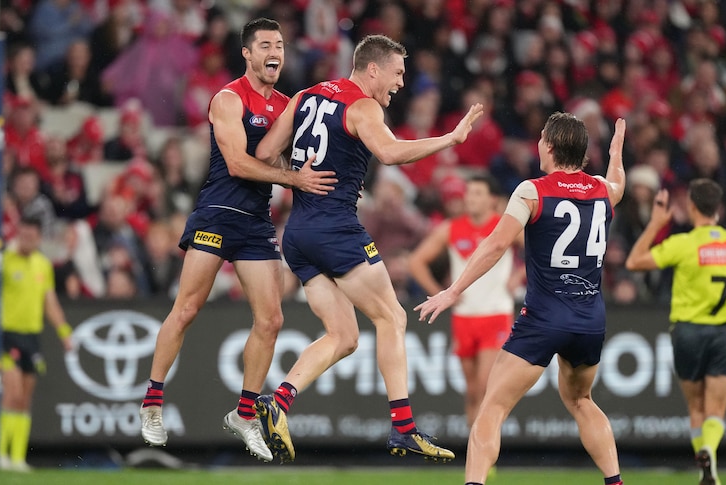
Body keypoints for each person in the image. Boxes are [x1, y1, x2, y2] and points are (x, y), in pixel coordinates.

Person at [254, 34, 484, 463]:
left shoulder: (305, 95)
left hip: (299, 232)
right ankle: (404, 428)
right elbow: (391, 153)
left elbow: (266, 151)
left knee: (343, 336)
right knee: (392, 317)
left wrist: (296, 178)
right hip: (336, 228)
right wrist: (450, 139)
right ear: (372, 68)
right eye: (397, 73)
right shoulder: (363, 106)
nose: (400, 82)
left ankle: (278, 401)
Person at [138, 18, 336, 463]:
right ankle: (152, 403)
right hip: (218, 213)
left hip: (255, 221)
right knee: (187, 308)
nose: (275, 52)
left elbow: (299, 159)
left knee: (271, 321)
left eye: (281, 45)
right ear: (247, 53)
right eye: (266, 44)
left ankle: (245, 414)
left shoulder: (288, 105)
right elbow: (237, 164)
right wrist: (292, 178)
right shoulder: (228, 98)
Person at [416, 112, 627, 485]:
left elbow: (496, 244)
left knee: (491, 409)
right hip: (590, 320)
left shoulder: (532, 191)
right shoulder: (601, 190)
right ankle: (615, 481)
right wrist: (616, 153)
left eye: (542, 139)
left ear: (548, 146)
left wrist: (452, 290)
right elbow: (617, 184)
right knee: (581, 402)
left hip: (544, 319)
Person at [625, 179, 726, 485]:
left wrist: (655, 224)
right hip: (725, 333)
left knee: (696, 406)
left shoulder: (684, 244)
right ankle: (709, 451)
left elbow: (634, 261)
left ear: (691, 206)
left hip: (689, 332)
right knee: (716, 409)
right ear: (718, 208)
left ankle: (704, 466)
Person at [408, 174, 518, 428]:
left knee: (485, 386)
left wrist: (519, 276)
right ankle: (475, 450)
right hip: (464, 316)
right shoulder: (451, 228)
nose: (470, 198)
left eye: (478, 193)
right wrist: (440, 292)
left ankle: (487, 453)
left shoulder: (503, 226)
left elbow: (539, 250)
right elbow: (415, 262)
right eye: (468, 192)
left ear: (493, 200)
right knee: (471, 391)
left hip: (496, 313)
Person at [0, 215, 74, 471]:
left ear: (38, 237)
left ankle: (17, 458)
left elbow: (49, 301)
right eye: (24, 235)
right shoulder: (5, 261)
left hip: (32, 336)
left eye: (32, 236)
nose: (27, 240)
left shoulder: (43, 265)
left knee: (24, 397)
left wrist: (64, 331)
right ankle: (1, 455)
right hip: (8, 334)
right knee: (12, 393)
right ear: (18, 234)